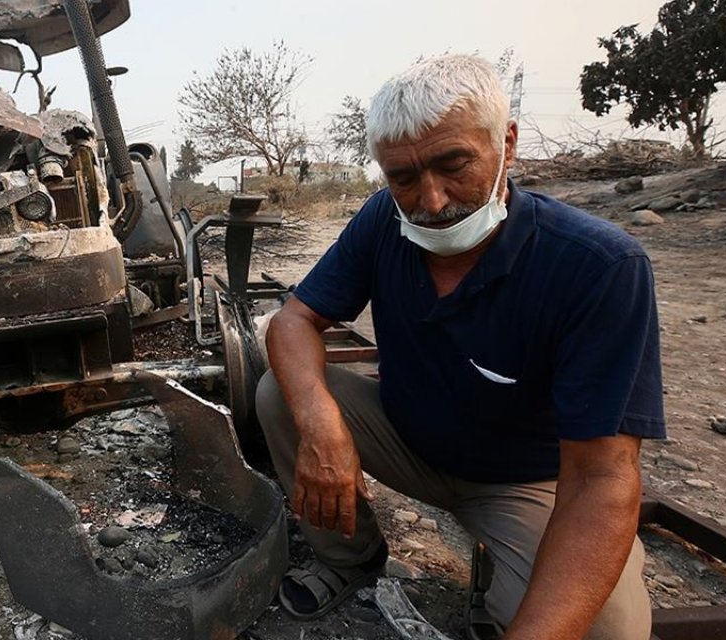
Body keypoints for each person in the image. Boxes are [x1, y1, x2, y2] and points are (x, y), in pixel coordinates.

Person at [256, 54, 663, 640]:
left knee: (605, 629)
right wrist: (323, 428)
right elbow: (294, 321)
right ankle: (350, 560)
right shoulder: (381, 222)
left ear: (508, 144)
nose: (433, 200)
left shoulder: (598, 266)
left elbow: (603, 477)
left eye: (455, 165)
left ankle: (507, 572)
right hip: (410, 440)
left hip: (523, 480)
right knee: (281, 393)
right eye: (403, 178)